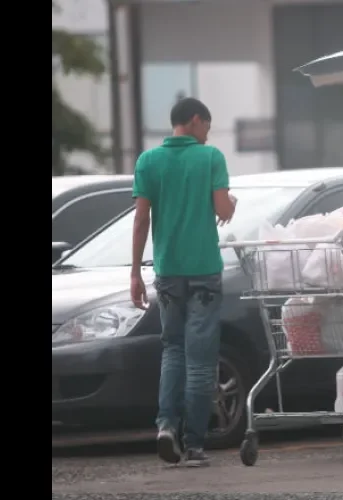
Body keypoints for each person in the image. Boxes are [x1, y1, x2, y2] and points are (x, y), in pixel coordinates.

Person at [130, 97, 237, 467]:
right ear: (195, 121)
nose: (207, 134)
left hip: (167, 271)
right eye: (206, 126)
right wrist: (231, 202)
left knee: (172, 350)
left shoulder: (147, 161)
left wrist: (133, 273)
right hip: (204, 270)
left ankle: (165, 427)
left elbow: (141, 220)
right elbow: (223, 210)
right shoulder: (210, 158)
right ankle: (193, 444)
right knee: (201, 361)